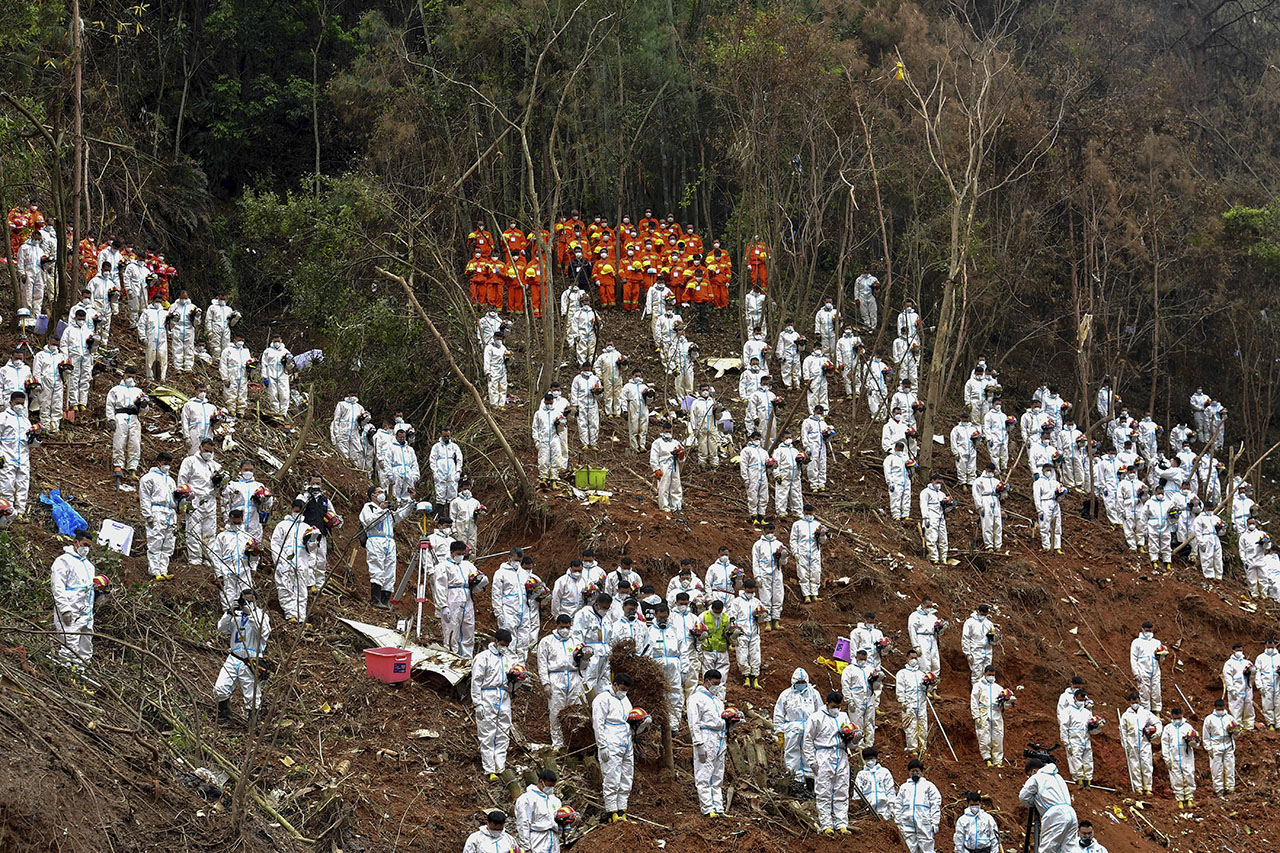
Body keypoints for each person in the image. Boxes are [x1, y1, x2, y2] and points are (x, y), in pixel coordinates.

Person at [213, 587, 272, 725]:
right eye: (245, 599)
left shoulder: (261, 615)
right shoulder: (237, 616)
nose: (247, 602)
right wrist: (229, 613)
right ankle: (224, 717)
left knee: (252, 697)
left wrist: (250, 614)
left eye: (250, 600)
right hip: (234, 657)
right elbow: (221, 628)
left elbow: (263, 632)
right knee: (220, 688)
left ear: (256, 601)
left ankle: (252, 724)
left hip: (251, 659)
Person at [804, 690, 855, 834]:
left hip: (841, 753)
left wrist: (854, 740)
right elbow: (807, 740)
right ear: (827, 704)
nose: (836, 709)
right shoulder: (816, 718)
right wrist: (812, 761)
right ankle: (826, 824)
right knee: (823, 791)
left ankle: (841, 824)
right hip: (823, 754)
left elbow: (849, 739)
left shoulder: (843, 716)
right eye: (833, 706)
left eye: (838, 706)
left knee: (842, 790)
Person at [537, 613, 586, 755]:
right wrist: (545, 683)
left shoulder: (575, 641)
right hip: (555, 677)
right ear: (557, 625)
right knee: (556, 711)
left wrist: (586, 658)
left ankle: (573, 743)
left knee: (575, 711)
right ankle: (558, 744)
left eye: (568, 627)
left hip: (573, 676)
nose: (565, 630)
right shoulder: (547, 642)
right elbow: (542, 664)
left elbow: (582, 665)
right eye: (562, 627)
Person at [360, 485, 415, 610]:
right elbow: (369, 522)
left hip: (389, 541)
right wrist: (381, 509)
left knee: (390, 571)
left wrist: (411, 500)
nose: (382, 494)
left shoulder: (387, 511)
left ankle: (385, 600)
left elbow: (400, 515)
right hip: (375, 539)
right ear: (372, 495)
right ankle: (375, 599)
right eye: (379, 492)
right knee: (377, 568)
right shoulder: (368, 507)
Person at [471, 628, 516, 779]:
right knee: (487, 733)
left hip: (503, 696)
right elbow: (476, 681)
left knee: (503, 732)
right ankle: (489, 769)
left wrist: (518, 680)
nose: (504, 647)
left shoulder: (508, 659)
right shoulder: (483, 658)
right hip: (487, 696)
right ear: (495, 641)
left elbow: (512, 684)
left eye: (507, 645)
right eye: (502, 644)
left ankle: (500, 766)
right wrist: (477, 702)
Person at [592, 671, 636, 822]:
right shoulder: (603, 699)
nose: (624, 692)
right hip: (611, 742)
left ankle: (622, 809)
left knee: (626, 776)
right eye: (622, 688)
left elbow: (629, 720)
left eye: (626, 690)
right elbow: (598, 724)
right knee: (612, 777)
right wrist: (602, 745)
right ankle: (612, 811)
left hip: (626, 742)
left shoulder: (625, 701)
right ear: (615, 685)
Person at [52, 530, 97, 671]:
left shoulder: (89, 567)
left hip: (86, 613)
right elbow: (57, 586)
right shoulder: (63, 561)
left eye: (89, 546)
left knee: (86, 646)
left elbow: (89, 591)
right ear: (75, 542)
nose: (86, 548)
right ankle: (65, 675)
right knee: (69, 644)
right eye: (84, 544)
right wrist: (64, 609)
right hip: (70, 611)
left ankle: (80, 674)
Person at [775, 668, 822, 795]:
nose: (800, 684)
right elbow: (779, 713)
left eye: (802, 681)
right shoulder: (786, 695)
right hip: (791, 729)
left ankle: (810, 782)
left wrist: (819, 730)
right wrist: (779, 732)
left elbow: (820, 712)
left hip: (809, 728)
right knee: (792, 755)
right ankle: (795, 781)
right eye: (798, 682)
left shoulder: (814, 694)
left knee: (809, 754)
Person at [688, 669, 728, 817]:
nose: (717, 686)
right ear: (706, 681)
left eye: (719, 683)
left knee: (717, 775)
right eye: (715, 683)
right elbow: (694, 722)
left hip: (719, 737)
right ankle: (707, 808)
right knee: (704, 773)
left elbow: (721, 720)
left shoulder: (717, 700)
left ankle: (718, 807)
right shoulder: (696, 698)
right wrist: (698, 743)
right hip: (706, 737)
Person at [178, 438, 223, 567]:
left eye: (211, 451)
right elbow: (182, 480)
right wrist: (184, 500)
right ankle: (195, 560)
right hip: (194, 498)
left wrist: (220, 481)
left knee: (209, 531)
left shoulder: (214, 465)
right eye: (206, 450)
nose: (208, 453)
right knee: (194, 529)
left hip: (210, 500)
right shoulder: (190, 461)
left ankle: (208, 558)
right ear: (200, 448)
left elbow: (220, 487)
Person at [1019, 759, 1079, 853]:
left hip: (1055, 815)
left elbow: (1023, 797)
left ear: (1034, 771)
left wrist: (1034, 803)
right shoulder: (1058, 777)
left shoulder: (1037, 777)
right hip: (1071, 813)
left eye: (1029, 775)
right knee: (1069, 849)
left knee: (1047, 849)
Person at [436, 541, 483, 657]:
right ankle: (452, 654)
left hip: (466, 596)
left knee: (468, 626)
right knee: (452, 627)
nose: (460, 556)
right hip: (452, 596)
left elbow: (476, 578)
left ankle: (467, 656)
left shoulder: (467, 565)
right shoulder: (443, 566)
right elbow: (440, 587)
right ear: (452, 552)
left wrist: (481, 582)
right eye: (458, 553)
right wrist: (443, 606)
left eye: (462, 554)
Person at [270, 500, 313, 623]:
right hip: (285, 562)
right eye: (296, 509)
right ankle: (290, 614)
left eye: (301, 510)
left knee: (301, 590)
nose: (298, 512)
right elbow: (275, 544)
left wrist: (313, 540)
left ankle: (301, 616)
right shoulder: (282, 525)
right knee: (285, 588)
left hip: (301, 563)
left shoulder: (306, 527)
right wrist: (279, 561)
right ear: (292, 508)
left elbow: (311, 549)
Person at [649, 603, 690, 731]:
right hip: (656, 667)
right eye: (660, 617)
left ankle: (673, 726)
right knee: (657, 696)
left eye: (665, 618)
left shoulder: (674, 630)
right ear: (655, 615)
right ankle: (657, 726)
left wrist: (684, 669)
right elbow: (645, 651)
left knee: (675, 695)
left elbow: (684, 651)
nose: (663, 620)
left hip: (673, 666)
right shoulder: (649, 631)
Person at [139, 452, 178, 580]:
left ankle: (163, 569)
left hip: (170, 512)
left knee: (168, 542)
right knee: (155, 540)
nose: (167, 465)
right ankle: (155, 570)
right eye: (165, 462)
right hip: (156, 510)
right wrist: (148, 515)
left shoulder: (171, 480)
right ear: (158, 462)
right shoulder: (148, 478)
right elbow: (144, 497)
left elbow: (175, 499)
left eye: (169, 463)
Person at [105, 366, 146, 489]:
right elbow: (109, 405)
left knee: (135, 443)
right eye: (129, 376)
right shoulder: (116, 390)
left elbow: (144, 411)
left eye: (133, 377)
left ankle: (132, 468)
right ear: (124, 375)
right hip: (120, 416)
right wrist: (111, 419)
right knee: (119, 441)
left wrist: (143, 405)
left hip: (134, 417)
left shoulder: (138, 391)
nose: (131, 379)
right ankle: (118, 465)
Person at [209, 509, 258, 608]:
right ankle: (229, 619)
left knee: (246, 599)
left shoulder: (247, 537)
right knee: (228, 598)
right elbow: (216, 556)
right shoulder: (222, 537)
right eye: (234, 522)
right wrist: (218, 574)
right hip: (227, 571)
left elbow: (253, 558)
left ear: (242, 520)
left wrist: (254, 557)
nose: (236, 524)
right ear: (230, 520)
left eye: (238, 522)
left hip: (244, 571)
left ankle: (244, 620)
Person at [572, 593, 615, 695]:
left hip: (605, 654)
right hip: (591, 653)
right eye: (603, 607)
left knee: (604, 681)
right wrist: (582, 652)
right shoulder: (583, 614)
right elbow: (577, 635)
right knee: (589, 680)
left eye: (607, 608)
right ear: (596, 605)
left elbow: (610, 636)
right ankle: (587, 705)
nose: (605, 610)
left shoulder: (607, 617)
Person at [1119, 691, 1161, 795]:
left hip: (1144, 742)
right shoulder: (1125, 716)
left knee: (1146, 764)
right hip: (1132, 743)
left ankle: (1148, 787)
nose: (1135, 704)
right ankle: (1138, 787)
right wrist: (1124, 744)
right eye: (1133, 702)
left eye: (1136, 702)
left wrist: (1155, 734)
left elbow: (1158, 723)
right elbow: (1122, 731)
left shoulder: (1145, 713)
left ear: (1139, 701)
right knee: (1134, 765)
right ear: (1129, 702)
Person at [895, 759, 941, 853]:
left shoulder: (928, 786)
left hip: (924, 824)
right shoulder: (904, 787)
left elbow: (935, 803)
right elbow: (898, 805)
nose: (915, 773)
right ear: (909, 772)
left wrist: (935, 822)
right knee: (909, 849)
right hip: (907, 824)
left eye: (917, 771)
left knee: (926, 849)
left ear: (922, 772)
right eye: (912, 771)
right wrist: (898, 822)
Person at [515, 769, 564, 853]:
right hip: (537, 839)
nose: (551, 788)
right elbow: (523, 823)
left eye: (553, 786)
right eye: (549, 785)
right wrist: (526, 847)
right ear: (541, 782)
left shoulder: (555, 800)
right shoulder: (527, 799)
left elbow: (558, 821)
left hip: (553, 839)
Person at [751, 523, 788, 631]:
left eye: (772, 532)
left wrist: (783, 557)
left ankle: (776, 621)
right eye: (768, 531)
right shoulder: (758, 545)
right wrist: (757, 576)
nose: (770, 533)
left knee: (778, 596)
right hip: (764, 574)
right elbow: (755, 562)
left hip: (776, 573)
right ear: (764, 530)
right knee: (765, 598)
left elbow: (783, 562)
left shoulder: (778, 544)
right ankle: (767, 621)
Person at [1160, 707, 1198, 807]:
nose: (1177, 719)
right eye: (1175, 717)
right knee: (1176, 778)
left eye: (1179, 717)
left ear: (1182, 715)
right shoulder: (1168, 728)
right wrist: (1166, 758)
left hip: (1186, 755)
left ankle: (1189, 798)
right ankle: (1180, 799)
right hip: (1174, 756)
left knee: (1188, 775)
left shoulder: (1188, 727)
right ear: (1171, 716)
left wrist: (1193, 742)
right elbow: (1164, 744)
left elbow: (1196, 741)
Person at [729, 579, 763, 688]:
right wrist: (735, 629)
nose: (751, 593)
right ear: (744, 589)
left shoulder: (756, 601)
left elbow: (762, 615)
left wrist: (760, 616)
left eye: (753, 591)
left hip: (754, 631)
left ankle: (755, 678)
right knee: (742, 655)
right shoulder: (737, 601)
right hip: (742, 632)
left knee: (756, 655)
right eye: (749, 590)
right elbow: (732, 616)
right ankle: (746, 677)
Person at [697, 599, 732, 700]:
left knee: (722, 675)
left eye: (719, 611)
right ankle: (707, 698)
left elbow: (729, 632)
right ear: (712, 608)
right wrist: (699, 649)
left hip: (721, 649)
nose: (717, 613)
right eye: (715, 611)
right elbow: (698, 631)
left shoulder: (726, 617)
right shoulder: (704, 616)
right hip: (708, 648)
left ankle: (720, 699)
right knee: (708, 674)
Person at [896, 649, 930, 753]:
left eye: (915, 658)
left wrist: (929, 685)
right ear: (907, 659)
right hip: (909, 704)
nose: (914, 660)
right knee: (911, 726)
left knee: (923, 726)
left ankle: (922, 748)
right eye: (912, 658)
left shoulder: (921, 674)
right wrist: (902, 701)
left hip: (921, 703)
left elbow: (925, 689)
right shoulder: (902, 673)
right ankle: (912, 748)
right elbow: (900, 688)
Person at [790, 505, 826, 603]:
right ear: (803, 512)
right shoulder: (797, 524)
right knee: (803, 573)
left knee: (816, 572)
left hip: (814, 552)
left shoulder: (817, 525)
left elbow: (822, 541)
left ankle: (814, 594)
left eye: (810, 513)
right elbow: (793, 540)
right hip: (802, 552)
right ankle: (806, 595)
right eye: (807, 513)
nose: (808, 515)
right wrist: (795, 552)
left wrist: (822, 535)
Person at [1202, 698, 1237, 795]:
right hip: (1216, 746)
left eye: (1222, 708)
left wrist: (1236, 731)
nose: (1220, 710)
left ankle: (1230, 787)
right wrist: (1208, 748)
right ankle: (1219, 789)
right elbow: (1206, 735)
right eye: (1218, 708)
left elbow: (1236, 732)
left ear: (1224, 707)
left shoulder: (1229, 718)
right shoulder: (1209, 719)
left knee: (1229, 766)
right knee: (1216, 768)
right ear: (1215, 708)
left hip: (1228, 745)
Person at [1063, 689, 1097, 785]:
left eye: (1082, 700)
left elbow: (1091, 728)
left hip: (1086, 739)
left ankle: (1088, 780)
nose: (1081, 702)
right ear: (1074, 698)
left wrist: (1097, 726)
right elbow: (1064, 727)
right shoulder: (1068, 711)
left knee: (1088, 760)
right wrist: (1066, 742)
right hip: (1074, 740)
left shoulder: (1087, 712)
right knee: (1076, 760)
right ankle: (1079, 780)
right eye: (1079, 700)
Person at [32, 337, 64, 435]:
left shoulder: (61, 356)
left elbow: (65, 370)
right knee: (45, 404)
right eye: (53, 344)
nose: (54, 346)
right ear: (48, 342)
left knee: (57, 405)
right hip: (45, 382)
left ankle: (55, 427)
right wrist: (38, 383)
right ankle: (45, 427)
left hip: (58, 382)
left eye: (57, 345)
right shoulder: (41, 355)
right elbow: (36, 370)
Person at [919, 473, 953, 565]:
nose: (939, 484)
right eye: (937, 482)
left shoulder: (942, 494)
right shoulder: (926, 492)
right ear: (932, 481)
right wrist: (925, 517)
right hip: (931, 516)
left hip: (941, 517)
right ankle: (934, 557)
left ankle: (944, 558)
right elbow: (923, 505)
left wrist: (949, 505)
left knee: (943, 538)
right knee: (932, 537)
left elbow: (945, 510)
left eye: (940, 483)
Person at [1130, 621, 1164, 713]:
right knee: (1145, 693)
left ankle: (1157, 712)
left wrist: (1162, 655)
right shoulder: (1137, 642)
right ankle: (1146, 713)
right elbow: (1133, 658)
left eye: (1149, 630)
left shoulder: (1156, 642)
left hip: (1155, 670)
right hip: (1143, 671)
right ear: (1142, 629)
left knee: (1156, 692)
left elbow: (1161, 658)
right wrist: (1136, 673)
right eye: (1146, 630)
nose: (1148, 632)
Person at [649, 424, 684, 513]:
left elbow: (681, 458)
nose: (668, 433)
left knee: (676, 486)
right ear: (663, 431)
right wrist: (656, 469)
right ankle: (664, 507)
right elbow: (654, 457)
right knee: (663, 486)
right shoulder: (657, 442)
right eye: (666, 431)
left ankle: (676, 506)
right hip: (663, 466)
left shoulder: (676, 443)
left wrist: (681, 455)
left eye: (669, 431)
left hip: (674, 465)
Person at [739, 430, 770, 525]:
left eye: (759, 439)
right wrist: (746, 478)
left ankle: (761, 516)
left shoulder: (763, 452)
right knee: (753, 496)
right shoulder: (746, 451)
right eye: (756, 439)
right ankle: (754, 516)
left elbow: (768, 465)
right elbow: (743, 465)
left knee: (764, 496)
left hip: (763, 475)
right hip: (752, 475)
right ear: (751, 439)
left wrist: (771, 467)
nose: (758, 441)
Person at [856, 747, 896, 821]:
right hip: (868, 813)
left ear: (876, 758)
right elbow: (857, 793)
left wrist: (891, 806)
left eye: (872, 758)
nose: (870, 761)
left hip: (884, 812)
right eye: (868, 759)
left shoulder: (884, 772)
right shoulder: (861, 774)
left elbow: (890, 790)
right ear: (864, 760)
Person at [971, 463, 1004, 551]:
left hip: (995, 500)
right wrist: (979, 506)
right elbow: (976, 494)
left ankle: (998, 545)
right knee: (987, 524)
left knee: (997, 523)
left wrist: (1002, 491)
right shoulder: (979, 480)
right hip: (985, 500)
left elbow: (1004, 495)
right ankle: (989, 545)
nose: (991, 472)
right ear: (985, 469)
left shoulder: (996, 481)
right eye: (989, 470)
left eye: (992, 471)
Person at [961, 605, 998, 685]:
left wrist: (994, 637)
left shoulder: (989, 623)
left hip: (987, 651)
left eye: (985, 614)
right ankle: (976, 693)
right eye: (982, 614)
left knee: (987, 673)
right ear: (978, 611)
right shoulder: (970, 622)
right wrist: (967, 653)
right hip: (976, 650)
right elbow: (965, 638)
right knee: (977, 673)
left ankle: (986, 693)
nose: (983, 616)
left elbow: (993, 639)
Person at [908, 597, 944, 677]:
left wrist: (940, 629)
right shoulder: (915, 616)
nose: (929, 608)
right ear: (922, 604)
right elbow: (912, 631)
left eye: (931, 606)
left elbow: (936, 631)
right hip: (922, 638)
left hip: (932, 639)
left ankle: (934, 683)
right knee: (925, 663)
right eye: (927, 606)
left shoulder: (933, 617)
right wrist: (916, 645)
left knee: (935, 662)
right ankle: (924, 681)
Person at [1222, 643, 1256, 730]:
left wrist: (1252, 672)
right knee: (1236, 709)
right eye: (1237, 650)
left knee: (1248, 708)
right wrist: (1231, 689)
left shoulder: (1247, 662)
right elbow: (1227, 677)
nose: (1239, 652)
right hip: (1236, 690)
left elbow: (1252, 677)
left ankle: (1249, 727)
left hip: (1247, 689)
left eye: (1241, 650)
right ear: (1233, 651)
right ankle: (1237, 728)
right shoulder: (1229, 663)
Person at [1032, 463, 1064, 553]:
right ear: (1043, 470)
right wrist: (1039, 510)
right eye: (1047, 470)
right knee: (1045, 525)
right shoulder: (1038, 483)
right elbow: (1037, 497)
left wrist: (1061, 494)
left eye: (1050, 470)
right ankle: (1046, 545)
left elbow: (1061, 494)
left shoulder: (1055, 482)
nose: (1049, 472)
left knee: (1057, 525)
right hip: (1045, 503)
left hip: (1055, 503)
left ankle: (1057, 546)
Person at [570, 362, 602, 450]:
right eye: (585, 368)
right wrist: (575, 405)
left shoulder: (595, 379)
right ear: (582, 368)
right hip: (581, 404)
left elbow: (600, 395)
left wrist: (597, 392)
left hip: (592, 404)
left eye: (589, 368)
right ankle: (585, 443)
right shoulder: (577, 379)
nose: (587, 369)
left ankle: (594, 443)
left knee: (594, 423)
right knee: (582, 423)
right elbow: (574, 392)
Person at [219, 332, 252, 417]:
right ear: (234, 340)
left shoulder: (245, 351)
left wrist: (251, 369)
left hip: (243, 375)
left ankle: (241, 410)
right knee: (231, 391)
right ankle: (231, 409)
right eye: (239, 340)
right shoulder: (228, 350)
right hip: (232, 374)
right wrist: (225, 377)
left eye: (242, 340)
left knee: (243, 392)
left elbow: (249, 364)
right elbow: (223, 364)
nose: (240, 342)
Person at [619, 369, 652, 453]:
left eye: (639, 376)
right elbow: (623, 398)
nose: (638, 377)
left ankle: (642, 445)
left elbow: (649, 401)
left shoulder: (644, 387)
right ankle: (634, 446)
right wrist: (625, 410)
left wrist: (649, 396)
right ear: (632, 376)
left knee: (643, 427)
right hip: (633, 406)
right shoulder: (627, 386)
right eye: (636, 376)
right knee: (634, 428)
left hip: (643, 407)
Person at [800, 405, 832, 491]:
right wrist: (806, 446)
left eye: (821, 412)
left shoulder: (823, 423)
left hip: (822, 446)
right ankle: (813, 485)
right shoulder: (808, 422)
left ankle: (821, 484)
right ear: (814, 411)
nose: (819, 413)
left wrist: (829, 435)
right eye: (818, 411)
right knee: (812, 464)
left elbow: (827, 437)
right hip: (812, 445)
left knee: (822, 464)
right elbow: (804, 434)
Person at [138, 294, 169, 381]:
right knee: (150, 357)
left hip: (162, 338)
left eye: (160, 301)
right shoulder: (147, 312)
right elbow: (141, 325)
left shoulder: (165, 313)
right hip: (151, 337)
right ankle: (150, 376)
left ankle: (162, 377)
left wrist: (172, 318)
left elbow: (171, 325)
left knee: (162, 356)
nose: (158, 302)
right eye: (157, 300)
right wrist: (142, 337)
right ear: (153, 300)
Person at [1141, 488, 1174, 570]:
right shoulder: (1150, 503)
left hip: (1165, 526)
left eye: (1162, 493)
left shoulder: (1168, 503)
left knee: (1166, 544)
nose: (1160, 495)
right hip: (1153, 526)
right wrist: (1144, 528)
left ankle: (1167, 562)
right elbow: (1143, 516)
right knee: (1153, 544)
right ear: (1155, 492)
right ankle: (1154, 560)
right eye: (1159, 493)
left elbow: (1173, 516)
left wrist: (1174, 516)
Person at [169, 290, 200, 372]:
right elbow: (169, 318)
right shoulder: (174, 306)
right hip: (177, 327)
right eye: (182, 298)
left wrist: (196, 316)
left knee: (189, 347)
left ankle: (188, 367)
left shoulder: (192, 307)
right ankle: (178, 366)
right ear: (179, 297)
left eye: (185, 298)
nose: (184, 300)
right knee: (177, 347)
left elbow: (196, 322)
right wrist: (171, 329)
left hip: (188, 328)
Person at [884, 441, 912, 520]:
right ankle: (896, 515)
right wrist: (890, 481)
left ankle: (905, 514)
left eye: (901, 449)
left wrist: (911, 467)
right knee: (896, 497)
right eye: (898, 449)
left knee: (906, 496)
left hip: (906, 479)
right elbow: (887, 470)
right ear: (895, 448)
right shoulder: (890, 458)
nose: (900, 450)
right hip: (896, 480)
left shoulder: (905, 457)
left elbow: (909, 468)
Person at [950, 416, 980, 487]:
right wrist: (955, 452)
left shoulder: (973, 428)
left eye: (967, 418)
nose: (965, 420)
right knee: (961, 467)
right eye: (964, 418)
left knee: (972, 467)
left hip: (972, 449)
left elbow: (978, 440)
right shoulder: (956, 429)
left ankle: (971, 483)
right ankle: (963, 483)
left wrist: (977, 441)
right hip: (961, 450)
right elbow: (953, 441)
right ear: (961, 418)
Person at [1257, 638, 1280, 730]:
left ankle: (1279, 724)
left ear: (1275, 645)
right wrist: (1260, 686)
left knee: (1278, 704)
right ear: (1265, 646)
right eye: (1268, 646)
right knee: (1267, 705)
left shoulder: (1279, 657)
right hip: (1266, 685)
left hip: (1278, 684)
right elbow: (1257, 672)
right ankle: (1271, 723)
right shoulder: (1260, 658)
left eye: (1272, 646)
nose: (1270, 648)